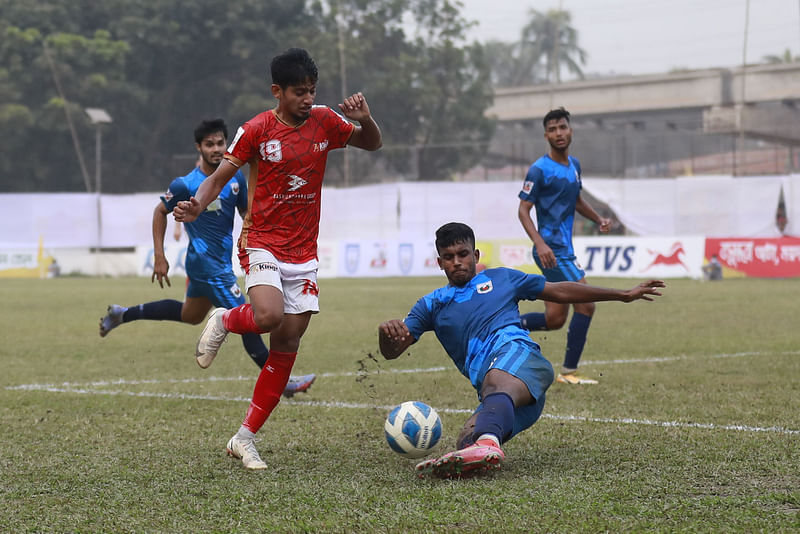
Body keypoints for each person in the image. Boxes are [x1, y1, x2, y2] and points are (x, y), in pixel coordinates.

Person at [173, 48, 382, 470]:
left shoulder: (326, 120)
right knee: (267, 317)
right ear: (277, 92)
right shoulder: (256, 129)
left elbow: (371, 143)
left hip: (303, 251)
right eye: (299, 93)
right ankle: (226, 320)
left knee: (287, 343)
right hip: (261, 240)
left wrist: (365, 118)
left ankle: (243, 438)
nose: (308, 99)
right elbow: (218, 178)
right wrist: (196, 205)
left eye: (312, 91)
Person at [378, 222, 665, 478]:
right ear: (439, 262)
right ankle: (481, 445)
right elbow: (393, 351)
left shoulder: (503, 278)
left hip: (522, 362)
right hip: (507, 398)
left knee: (493, 387)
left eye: (463, 254)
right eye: (449, 257)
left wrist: (623, 295)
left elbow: (559, 290)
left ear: (475, 256)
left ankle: (489, 441)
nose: (457, 262)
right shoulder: (430, 305)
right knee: (466, 439)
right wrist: (386, 335)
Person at [98, 118, 316, 398]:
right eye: (209, 144)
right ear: (198, 147)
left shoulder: (234, 177)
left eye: (220, 143)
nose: (216, 149)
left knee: (191, 315)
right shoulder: (185, 184)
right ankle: (283, 383)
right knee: (253, 319)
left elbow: (246, 213)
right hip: (206, 264)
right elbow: (158, 212)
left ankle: (122, 314)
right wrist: (160, 256)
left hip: (217, 263)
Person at [517, 107, 612, 385]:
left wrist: (598, 219)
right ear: (546, 135)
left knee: (555, 319)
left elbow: (576, 200)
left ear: (570, 131)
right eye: (553, 129)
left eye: (563, 127)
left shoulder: (574, 166)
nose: (558, 133)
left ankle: (503, 324)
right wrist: (540, 244)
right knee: (587, 306)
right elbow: (523, 210)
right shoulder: (539, 169)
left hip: (563, 250)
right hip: (551, 251)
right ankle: (569, 372)